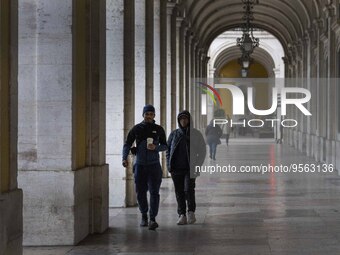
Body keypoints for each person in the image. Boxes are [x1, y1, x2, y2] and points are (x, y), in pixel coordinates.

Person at [122, 104, 167, 230]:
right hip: (140, 166)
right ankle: (144, 215)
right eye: (146, 114)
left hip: (154, 166)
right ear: (143, 115)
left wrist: (156, 148)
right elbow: (127, 144)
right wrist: (124, 157)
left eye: (151, 114)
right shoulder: (136, 129)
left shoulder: (159, 129)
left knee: (154, 193)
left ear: (154, 116)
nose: (148, 116)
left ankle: (152, 219)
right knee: (140, 192)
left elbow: (165, 145)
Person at [167, 110, 206, 225]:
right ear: (179, 121)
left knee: (189, 190)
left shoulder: (196, 134)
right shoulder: (174, 134)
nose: (183, 121)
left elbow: (202, 151)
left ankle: (191, 212)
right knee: (179, 192)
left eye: (185, 118)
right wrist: (169, 165)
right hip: (176, 169)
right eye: (181, 119)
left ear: (189, 120)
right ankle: (181, 214)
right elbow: (168, 150)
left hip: (190, 168)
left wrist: (198, 165)